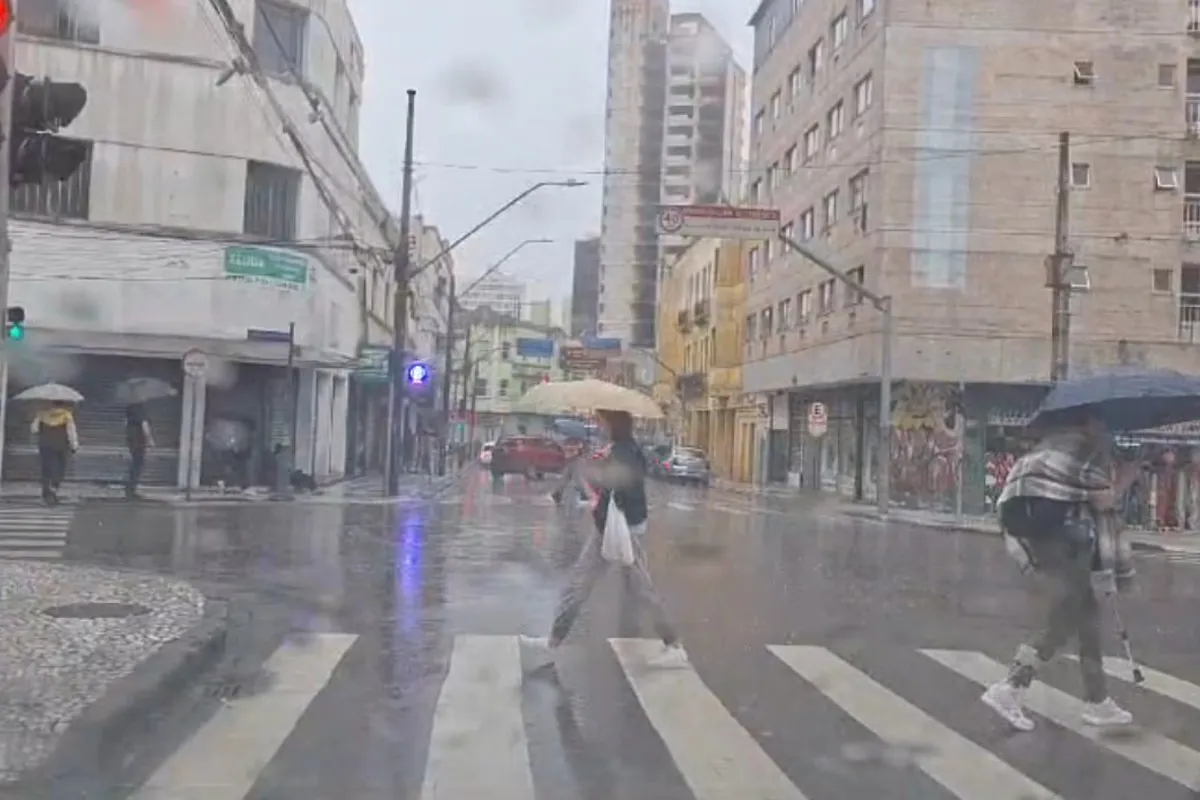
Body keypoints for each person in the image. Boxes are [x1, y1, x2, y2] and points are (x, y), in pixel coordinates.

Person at [983, 407, 1139, 731]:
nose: (1103, 426)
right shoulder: (1084, 447)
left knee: (1087, 619)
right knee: (1063, 617)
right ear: (1089, 420)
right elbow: (1103, 500)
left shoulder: (1050, 445)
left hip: (1045, 538)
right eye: (1100, 420)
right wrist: (1124, 480)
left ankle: (1098, 700)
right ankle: (1011, 687)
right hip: (1066, 542)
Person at [523, 409, 687, 668]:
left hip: (622, 528)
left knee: (640, 588)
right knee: (579, 584)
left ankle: (673, 644)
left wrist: (600, 488)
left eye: (601, 420)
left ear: (613, 423)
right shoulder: (615, 449)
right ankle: (553, 643)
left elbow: (624, 484)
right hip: (607, 527)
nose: (598, 424)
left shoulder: (625, 451)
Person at [31, 401, 78, 505]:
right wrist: (74, 445)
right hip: (61, 446)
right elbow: (71, 431)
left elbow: (34, 429)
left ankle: (46, 492)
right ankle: (54, 488)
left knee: (46, 469)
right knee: (60, 468)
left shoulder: (42, 414)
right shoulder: (66, 415)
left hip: (45, 445)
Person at [124, 402, 155, 498]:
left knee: (135, 465)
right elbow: (144, 425)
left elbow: (125, 423)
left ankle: (130, 488)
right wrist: (150, 440)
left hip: (132, 440)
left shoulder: (130, 407)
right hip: (139, 441)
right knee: (137, 465)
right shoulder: (140, 408)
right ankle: (131, 489)